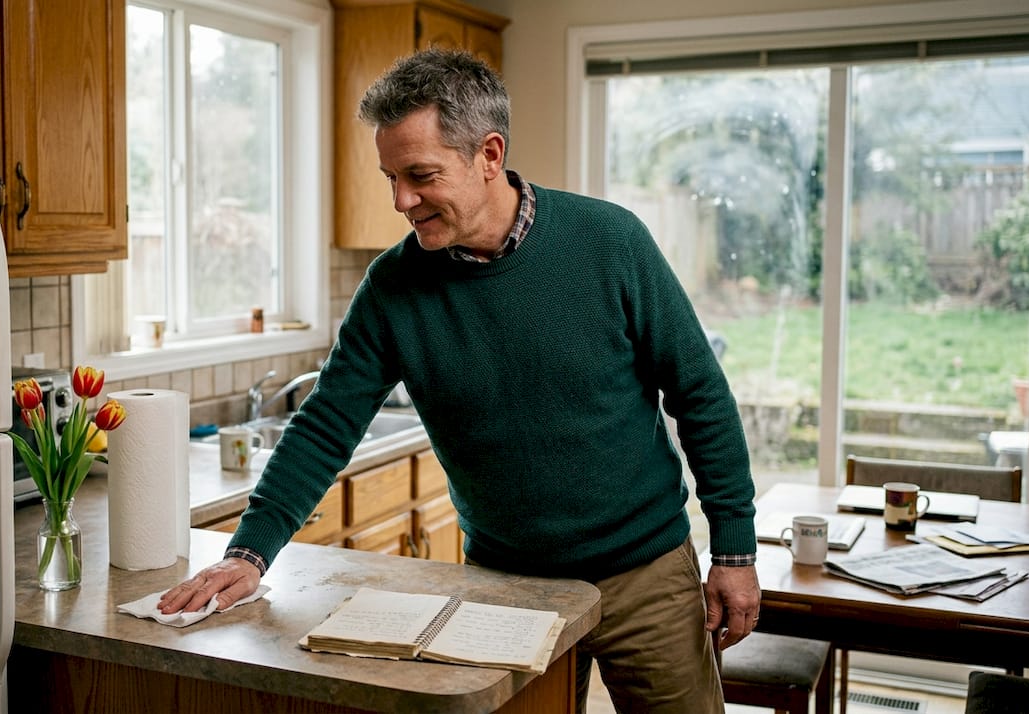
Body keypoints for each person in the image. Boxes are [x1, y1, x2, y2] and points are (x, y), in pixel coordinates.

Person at [159, 47, 761, 713]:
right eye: (390, 176)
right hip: (503, 588)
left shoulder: (610, 243)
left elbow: (698, 392)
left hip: (643, 577)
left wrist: (733, 548)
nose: (400, 200)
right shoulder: (393, 287)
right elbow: (326, 423)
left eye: (420, 175)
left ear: (489, 154)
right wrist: (250, 552)